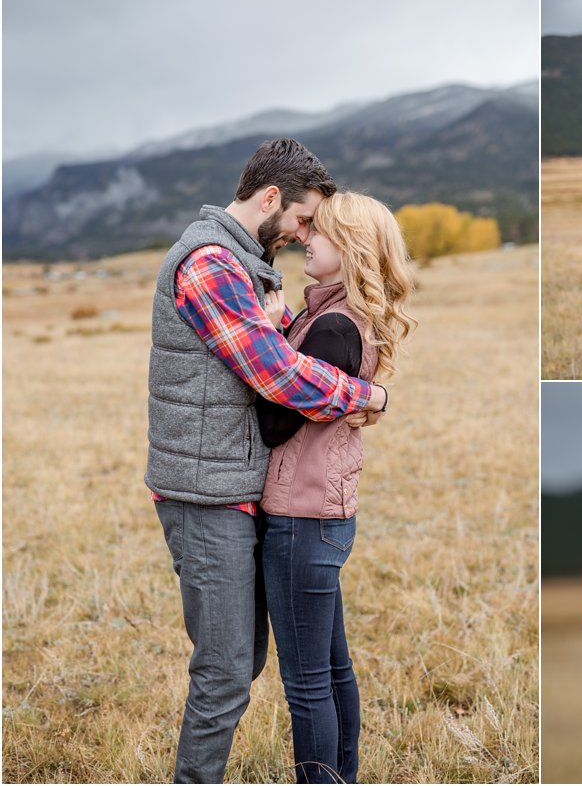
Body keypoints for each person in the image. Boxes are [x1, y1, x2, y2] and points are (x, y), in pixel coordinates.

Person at [146, 139, 390, 783]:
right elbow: (277, 377)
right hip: (206, 492)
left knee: (244, 661)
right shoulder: (209, 263)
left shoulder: (241, 264)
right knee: (227, 672)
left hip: (234, 486)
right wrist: (370, 396)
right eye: (304, 218)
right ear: (271, 198)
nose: (305, 235)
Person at [255, 192, 416, 783]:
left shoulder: (330, 328)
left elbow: (276, 424)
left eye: (317, 234)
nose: (305, 240)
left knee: (306, 685)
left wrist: (270, 336)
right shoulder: (340, 317)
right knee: (332, 668)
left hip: (299, 518)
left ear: (349, 249)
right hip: (324, 513)